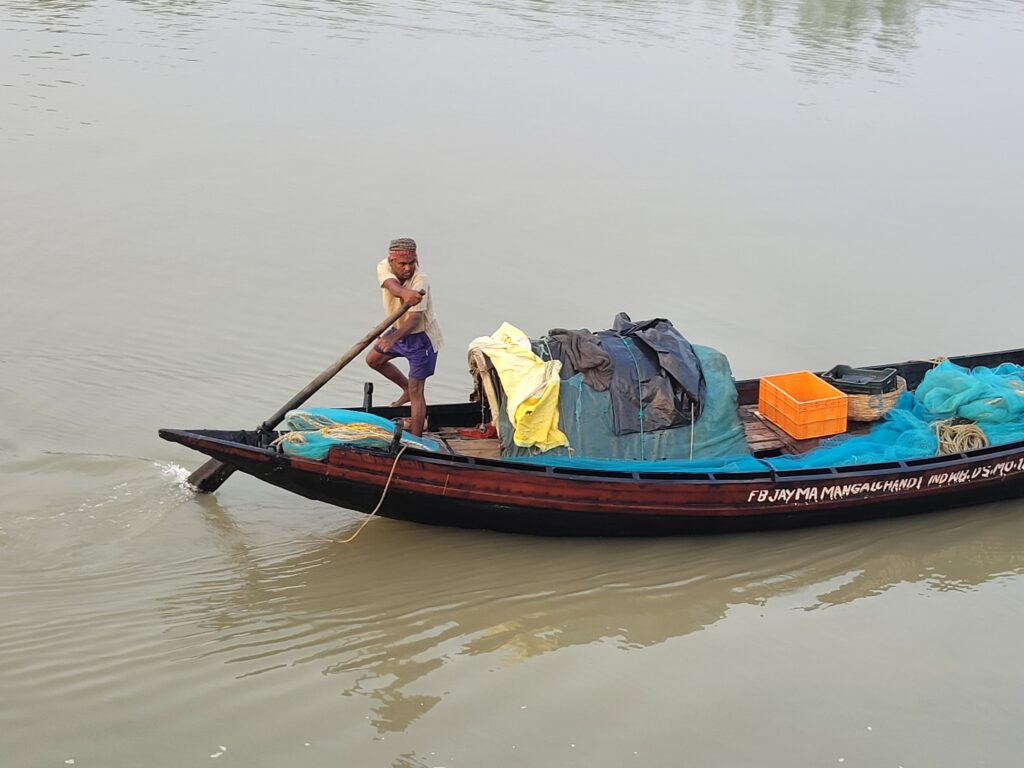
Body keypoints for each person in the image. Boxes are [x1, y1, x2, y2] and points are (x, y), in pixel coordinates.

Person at [365, 238, 443, 436]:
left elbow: (415, 319)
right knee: (373, 360)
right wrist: (404, 293)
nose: (407, 268)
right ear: (391, 261)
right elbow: (391, 286)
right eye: (402, 264)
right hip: (398, 329)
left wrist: (392, 338)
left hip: (421, 337)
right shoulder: (383, 266)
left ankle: (417, 439)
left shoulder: (420, 279)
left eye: (411, 263)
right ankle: (405, 388)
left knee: (418, 391)